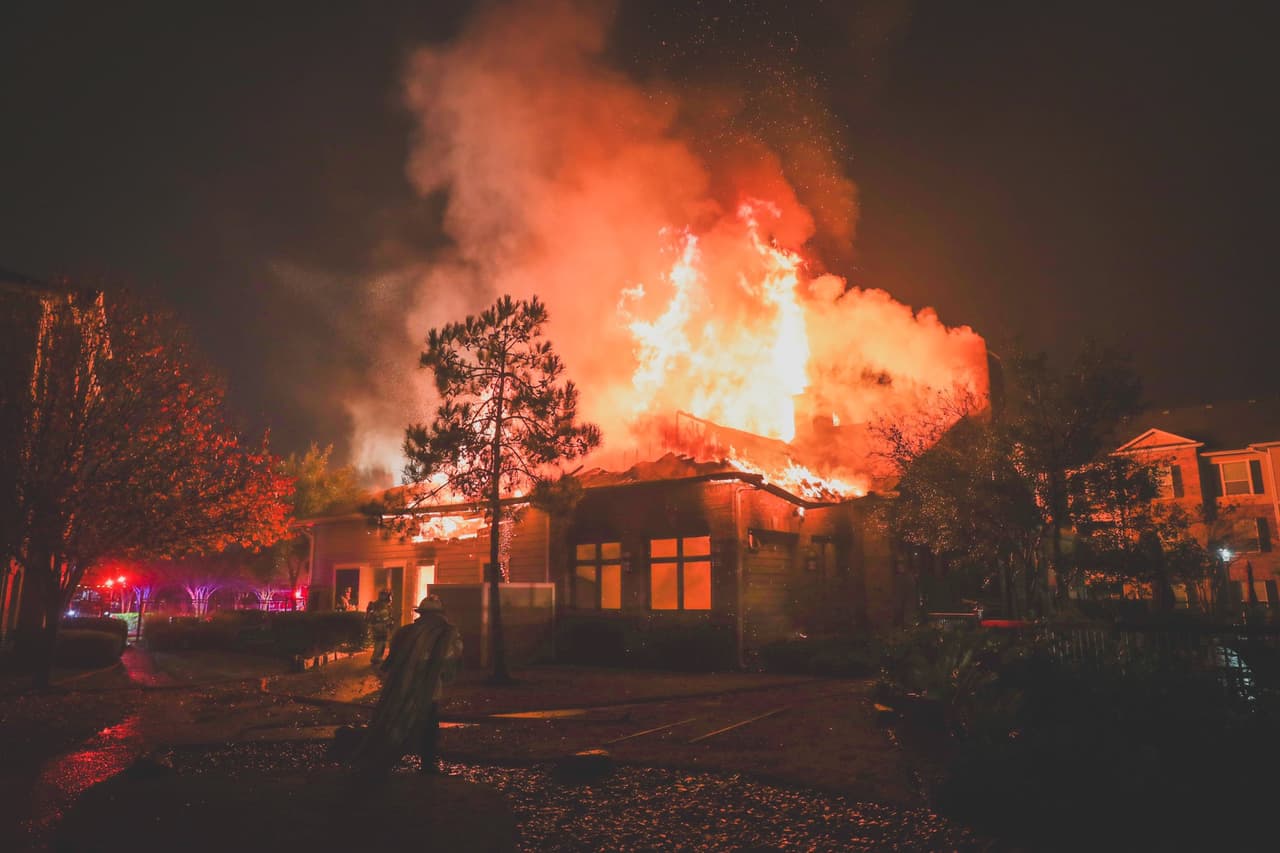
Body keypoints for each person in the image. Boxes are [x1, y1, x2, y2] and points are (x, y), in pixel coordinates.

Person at [352, 594, 462, 777]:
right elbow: (451, 660)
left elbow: (391, 661)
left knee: (395, 723)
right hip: (429, 692)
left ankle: (380, 760)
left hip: (400, 689)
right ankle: (426, 765)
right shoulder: (446, 633)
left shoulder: (405, 632)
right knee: (429, 728)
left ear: (421, 613)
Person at [365, 588, 395, 665]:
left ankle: (378, 657)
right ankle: (375, 657)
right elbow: (369, 617)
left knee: (383, 642)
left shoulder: (387, 606)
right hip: (378, 626)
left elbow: (389, 616)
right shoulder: (375, 605)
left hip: (384, 627)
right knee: (379, 642)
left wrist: (390, 622)